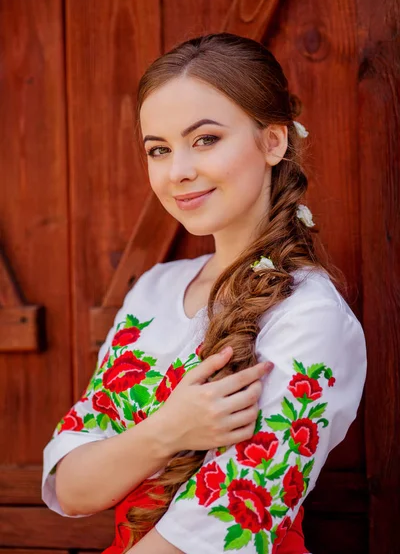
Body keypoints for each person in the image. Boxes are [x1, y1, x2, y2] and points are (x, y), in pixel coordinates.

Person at [42, 33, 367, 554]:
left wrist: (137, 446)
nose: (179, 171)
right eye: (159, 149)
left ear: (273, 141)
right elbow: (71, 488)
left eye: (206, 139)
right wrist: (168, 431)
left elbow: (219, 532)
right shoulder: (153, 291)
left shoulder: (309, 316)